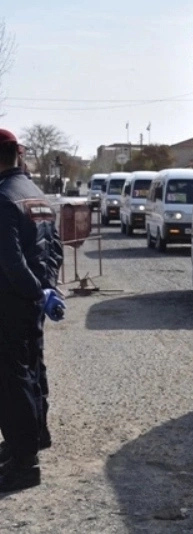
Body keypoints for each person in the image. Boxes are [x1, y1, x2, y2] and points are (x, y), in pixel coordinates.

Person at [0, 128, 65, 493]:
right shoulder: (34, 194)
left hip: (10, 301)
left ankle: (24, 464)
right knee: (32, 369)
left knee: (12, 381)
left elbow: (9, 261)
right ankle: (34, 437)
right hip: (33, 299)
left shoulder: (3, 198)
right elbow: (52, 249)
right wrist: (46, 289)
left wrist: (35, 292)